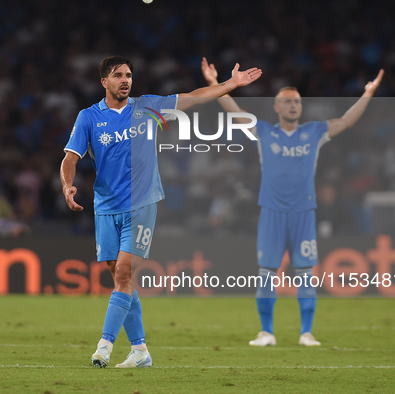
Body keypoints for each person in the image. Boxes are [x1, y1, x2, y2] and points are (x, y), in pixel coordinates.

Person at [61, 55, 262, 368]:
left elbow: (194, 98)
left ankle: (104, 346)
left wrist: (230, 85)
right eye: (118, 75)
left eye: (129, 74)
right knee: (120, 281)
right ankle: (140, 351)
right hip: (105, 207)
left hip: (141, 203)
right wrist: (67, 186)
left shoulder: (147, 107)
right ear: (104, 82)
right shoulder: (88, 117)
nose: (125, 80)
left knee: (124, 275)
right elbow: (70, 159)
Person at [201, 57, 383, 347]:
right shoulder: (263, 131)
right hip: (271, 212)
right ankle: (266, 332)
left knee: (305, 274)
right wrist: (214, 84)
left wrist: (368, 94)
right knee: (266, 273)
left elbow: (346, 120)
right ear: (276, 107)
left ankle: (306, 333)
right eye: (287, 101)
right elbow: (234, 111)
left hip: (303, 213)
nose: (293, 105)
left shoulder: (313, 132)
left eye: (297, 101)